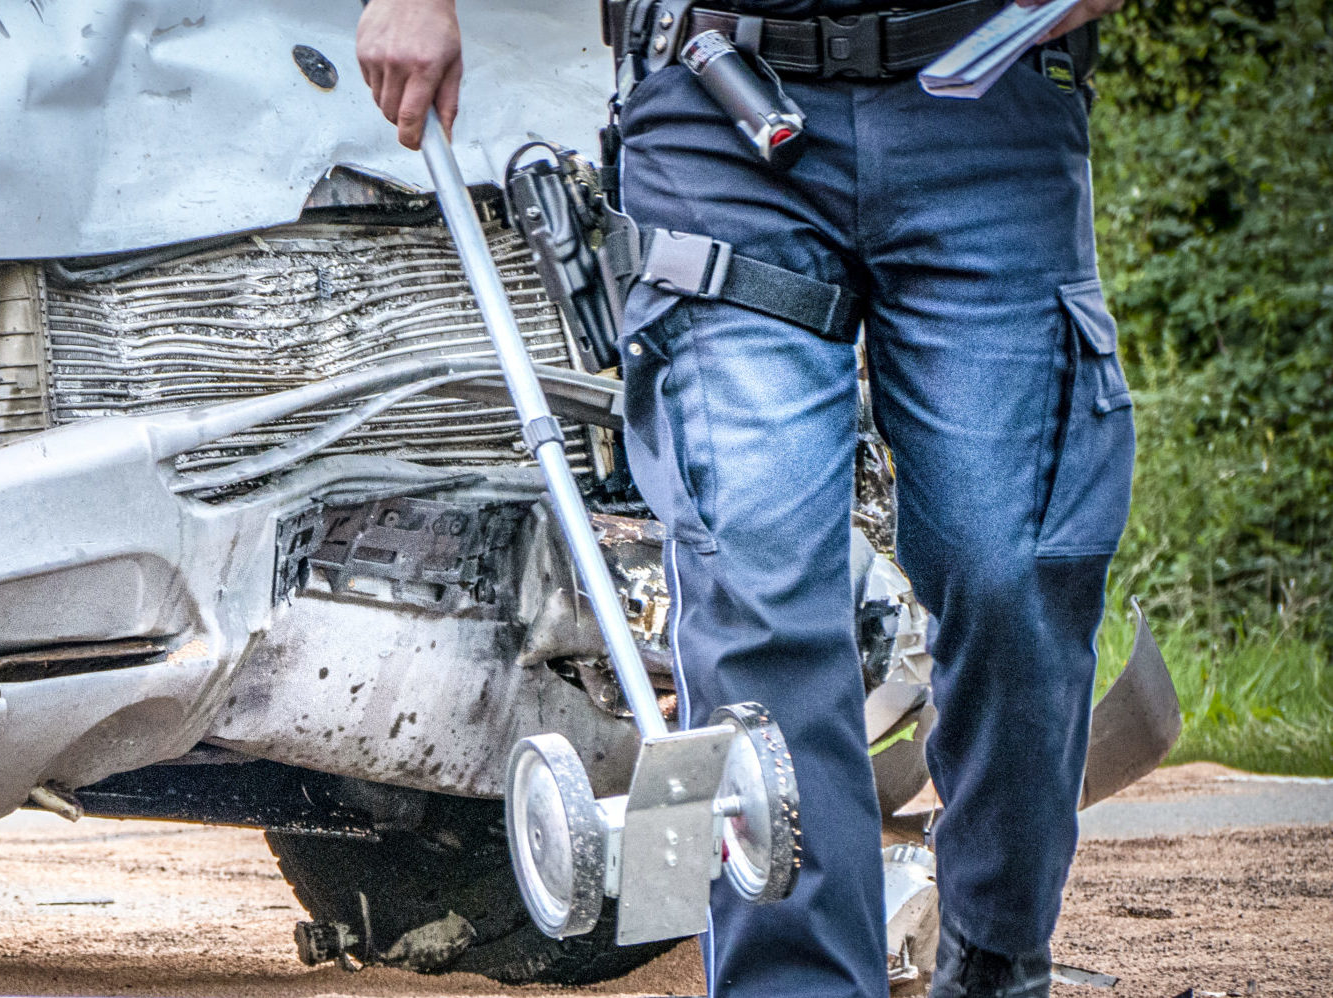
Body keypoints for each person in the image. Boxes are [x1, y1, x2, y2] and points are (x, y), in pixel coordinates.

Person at [356, 1, 1133, 997]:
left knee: (1013, 571)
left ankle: (994, 961)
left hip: (983, 95)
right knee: (755, 573)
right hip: (715, 99)